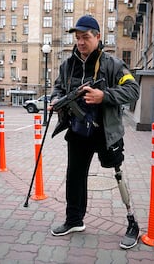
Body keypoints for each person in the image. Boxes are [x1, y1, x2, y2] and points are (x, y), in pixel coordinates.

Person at [49, 15, 141, 249]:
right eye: (78, 38)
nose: (80, 42)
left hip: (105, 132)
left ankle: (133, 223)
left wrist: (105, 96)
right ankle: (74, 220)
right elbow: (58, 87)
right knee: (74, 176)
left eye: (86, 37)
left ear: (98, 37)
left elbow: (133, 89)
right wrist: (56, 100)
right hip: (78, 131)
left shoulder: (112, 64)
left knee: (118, 174)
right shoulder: (67, 65)